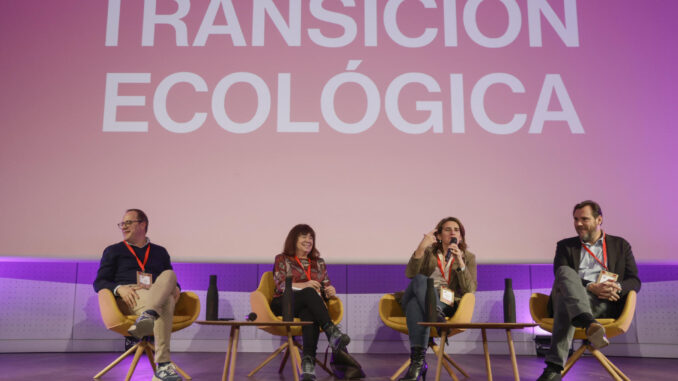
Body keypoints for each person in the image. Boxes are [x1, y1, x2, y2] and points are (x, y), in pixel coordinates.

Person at [536, 201, 641, 381]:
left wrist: (617, 287)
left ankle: (553, 369)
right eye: (575, 219)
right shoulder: (565, 246)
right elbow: (559, 275)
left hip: (603, 302)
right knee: (564, 272)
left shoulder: (620, 245)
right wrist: (590, 285)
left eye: (584, 219)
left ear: (599, 219)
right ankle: (587, 322)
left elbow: (635, 281)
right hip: (574, 297)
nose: (578, 224)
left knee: (565, 301)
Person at [93, 209, 183, 381]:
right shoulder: (113, 251)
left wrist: (176, 288)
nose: (123, 227)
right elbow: (99, 282)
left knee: (170, 277)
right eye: (122, 224)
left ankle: (148, 316)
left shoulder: (160, 251)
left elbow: (169, 280)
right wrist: (119, 288)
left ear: (143, 224)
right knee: (167, 301)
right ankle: (163, 367)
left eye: (128, 223)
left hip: (155, 293)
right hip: (131, 296)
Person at [399, 217, 478, 381]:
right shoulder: (429, 252)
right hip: (425, 292)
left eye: (456, 230)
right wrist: (421, 246)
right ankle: (434, 314)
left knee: (415, 305)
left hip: (446, 299)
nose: (452, 233)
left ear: (461, 236)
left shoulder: (468, 257)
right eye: (448, 229)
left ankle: (417, 364)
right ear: (439, 235)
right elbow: (410, 274)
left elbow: (469, 290)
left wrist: (460, 263)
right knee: (421, 279)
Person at [270, 224, 350, 381]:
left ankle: (308, 366)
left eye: (311, 237)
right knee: (309, 293)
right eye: (304, 236)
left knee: (309, 312)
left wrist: (330, 291)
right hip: (284, 303)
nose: (308, 240)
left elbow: (325, 285)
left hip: (308, 305)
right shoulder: (282, 259)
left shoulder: (318, 262)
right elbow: (280, 285)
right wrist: (304, 285)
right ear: (294, 239)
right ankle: (331, 331)